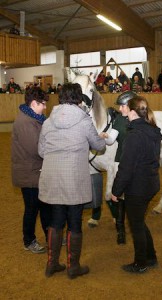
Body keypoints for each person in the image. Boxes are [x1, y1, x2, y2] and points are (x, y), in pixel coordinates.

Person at [38, 83, 106, 278]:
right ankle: (73, 267)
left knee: (56, 220)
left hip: (52, 177)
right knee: (74, 222)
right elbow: (98, 146)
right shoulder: (84, 120)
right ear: (78, 98)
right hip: (74, 178)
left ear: (60, 98)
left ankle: (52, 264)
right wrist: (100, 138)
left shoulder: (48, 122)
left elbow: (41, 151)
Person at [112, 95, 162, 274]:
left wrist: (115, 191)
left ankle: (141, 263)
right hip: (150, 183)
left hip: (138, 187)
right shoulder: (153, 130)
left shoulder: (134, 136)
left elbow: (126, 168)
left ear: (132, 112)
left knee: (136, 225)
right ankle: (151, 257)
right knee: (140, 221)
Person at [88, 91, 137, 246]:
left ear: (131, 105)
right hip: (120, 162)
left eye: (122, 106)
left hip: (136, 164)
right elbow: (111, 141)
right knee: (120, 197)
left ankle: (132, 225)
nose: (120, 109)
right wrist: (104, 136)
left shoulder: (142, 121)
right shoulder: (119, 121)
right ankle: (120, 230)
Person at [11, 87, 52, 254]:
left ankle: (50, 236)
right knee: (32, 209)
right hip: (29, 173)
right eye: (43, 104)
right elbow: (36, 149)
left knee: (44, 207)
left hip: (36, 171)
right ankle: (29, 241)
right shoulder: (25, 122)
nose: (45, 107)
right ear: (34, 103)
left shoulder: (34, 119)